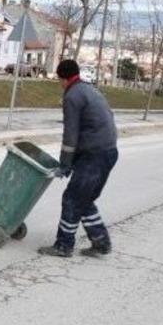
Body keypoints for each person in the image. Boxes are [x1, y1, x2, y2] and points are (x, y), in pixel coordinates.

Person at [39, 59, 118, 258]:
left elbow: (70, 135)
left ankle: (63, 246)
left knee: (72, 199)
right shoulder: (89, 90)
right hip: (108, 152)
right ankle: (101, 242)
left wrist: (65, 164)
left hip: (94, 156)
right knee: (84, 199)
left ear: (63, 79)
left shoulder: (72, 96)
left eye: (59, 81)